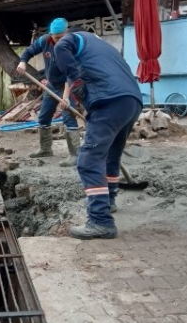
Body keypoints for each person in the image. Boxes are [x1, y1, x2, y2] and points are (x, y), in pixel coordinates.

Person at [50, 26, 143, 240]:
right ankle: (108, 201)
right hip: (131, 101)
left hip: (108, 101)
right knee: (110, 156)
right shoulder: (103, 47)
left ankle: (100, 221)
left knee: (89, 161)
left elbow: (62, 46)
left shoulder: (72, 39)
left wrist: (76, 81)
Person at [16, 18, 80, 166]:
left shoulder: (72, 45)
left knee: (68, 115)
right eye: (55, 37)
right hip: (52, 85)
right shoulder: (44, 41)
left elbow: (72, 74)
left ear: (66, 33)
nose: (57, 41)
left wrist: (65, 97)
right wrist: (23, 61)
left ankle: (75, 155)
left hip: (67, 84)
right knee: (44, 116)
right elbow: (29, 51)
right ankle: (46, 148)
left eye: (60, 37)